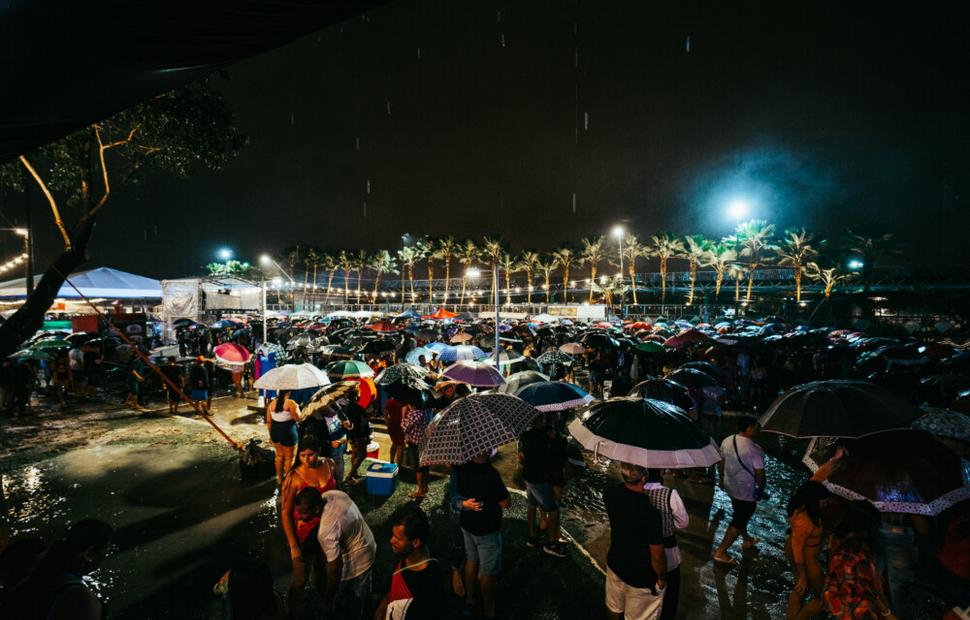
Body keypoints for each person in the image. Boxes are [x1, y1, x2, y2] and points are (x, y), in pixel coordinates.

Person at [3, 518, 113, 620]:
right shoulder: (81, 599)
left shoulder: (28, 581)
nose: (104, 557)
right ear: (89, 554)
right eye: (105, 552)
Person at [281, 437, 337, 617]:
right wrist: (294, 546)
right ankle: (293, 613)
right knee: (300, 580)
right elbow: (285, 513)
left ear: (319, 451)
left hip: (327, 531)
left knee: (323, 571)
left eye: (310, 455)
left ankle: (324, 604)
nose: (306, 459)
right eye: (302, 455)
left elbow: (338, 492)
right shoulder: (293, 477)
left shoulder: (330, 464)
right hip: (304, 537)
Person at [603, 462, 667, 620]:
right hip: (641, 576)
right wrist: (661, 578)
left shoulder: (610, 492)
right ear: (644, 478)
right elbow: (657, 555)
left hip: (615, 562)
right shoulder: (650, 513)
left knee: (613, 606)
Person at [303, 489, 377, 620]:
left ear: (316, 509)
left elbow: (335, 569)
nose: (299, 517)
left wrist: (330, 595)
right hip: (369, 542)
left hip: (358, 562)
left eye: (303, 513)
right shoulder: (333, 494)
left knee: (353, 603)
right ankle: (370, 612)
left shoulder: (325, 532)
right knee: (365, 594)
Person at [454, 452, 511, 620]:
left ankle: (470, 600)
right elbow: (505, 503)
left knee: (471, 560)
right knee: (487, 571)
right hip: (486, 529)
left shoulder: (461, 468)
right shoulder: (490, 473)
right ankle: (489, 611)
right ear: (484, 450)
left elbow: (459, 494)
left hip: (467, 524)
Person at [713, 418, 765, 565]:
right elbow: (760, 474)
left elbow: (721, 461)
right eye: (756, 426)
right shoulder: (755, 449)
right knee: (739, 519)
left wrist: (721, 478)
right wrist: (761, 488)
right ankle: (721, 552)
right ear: (748, 427)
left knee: (740, 514)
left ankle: (747, 540)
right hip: (746, 491)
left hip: (731, 486)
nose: (758, 429)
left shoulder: (727, 440)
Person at [373, 509, 442, 620]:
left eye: (398, 538)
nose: (391, 540)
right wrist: (383, 606)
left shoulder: (426, 586)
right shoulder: (410, 554)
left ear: (415, 542)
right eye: (393, 535)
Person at [517, 415, 567, 558]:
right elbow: (550, 458)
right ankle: (551, 544)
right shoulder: (544, 437)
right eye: (543, 419)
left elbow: (522, 456)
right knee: (554, 509)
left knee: (532, 505)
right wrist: (554, 439)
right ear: (540, 421)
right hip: (538, 479)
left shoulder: (525, 435)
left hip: (528, 476)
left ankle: (532, 538)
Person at [643, 469, 689, 620]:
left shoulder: (636, 490)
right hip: (667, 551)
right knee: (670, 592)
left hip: (642, 549)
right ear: (661, 472)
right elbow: (683, 522)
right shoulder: (669, 494)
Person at [784, 481, 831, 617]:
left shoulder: (806, 509)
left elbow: (816, 480)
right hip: (804, 556)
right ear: (814, 499)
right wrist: (803, 576)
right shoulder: (804, 521)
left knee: (800, 589)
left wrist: (832, 463)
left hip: (800, 551)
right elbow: (797, 551)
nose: (826, 503)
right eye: (823, 500)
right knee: (821, 598)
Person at [267, 389, 301, 486]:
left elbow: (269, 421)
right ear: (289, 392)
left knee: (279, 456)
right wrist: (297, 408)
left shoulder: (272, 403)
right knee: (289, 458)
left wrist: (270, 435)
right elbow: (298, 418)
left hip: (275, 431)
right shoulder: (290, 402)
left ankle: (280, 480)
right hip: (288, 431)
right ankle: (288, 482)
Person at [401, 403, 430, 498]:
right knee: (424, 466)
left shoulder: (414, 414)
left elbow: (405, 428)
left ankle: (420, 491)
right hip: (424, 442)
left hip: (414, 444)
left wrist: (403, 416)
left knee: (418, 468)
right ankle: (425, 487)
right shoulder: (424, 412)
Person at [343, 398, 371, 485]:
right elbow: (362, 422)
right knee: (362, 455)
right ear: (356, 395)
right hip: (359, 435)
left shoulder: (347, 407)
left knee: (355, 454)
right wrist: (368, 415)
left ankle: (354, 474)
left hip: (352, 434)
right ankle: (349, 476)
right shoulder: (358, 408)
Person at [384, 396, 405, 466]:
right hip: (400, 424)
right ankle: (399, 465)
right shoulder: (402, 402)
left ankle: (391, 461)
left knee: (394, 443)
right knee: (400, 445)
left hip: (391, 424)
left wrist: (387, 422)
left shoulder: (389, 402)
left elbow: (385, 414)